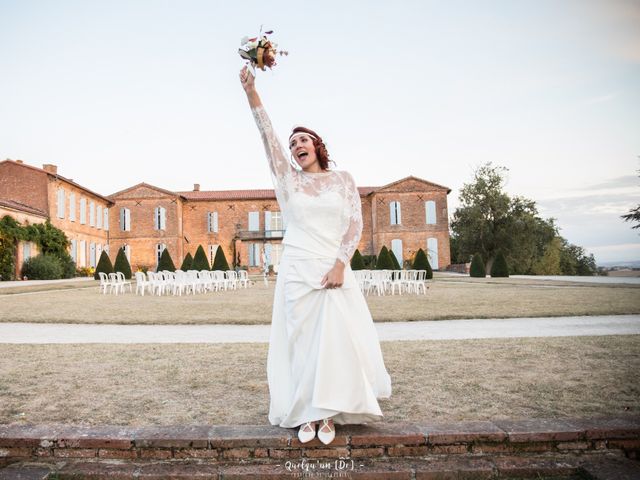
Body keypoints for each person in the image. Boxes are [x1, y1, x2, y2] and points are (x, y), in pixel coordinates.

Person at [239, 66, 391, 445]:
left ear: (318, 146)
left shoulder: (344, 181)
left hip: (332, 267)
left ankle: (328, 412)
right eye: (293, 145)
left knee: (335, 341)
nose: (296, 147)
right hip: (297, 268)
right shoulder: (289, 182)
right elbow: (267, 136)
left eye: (303, 140)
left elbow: (354, 226)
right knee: (303, 341)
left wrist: (341, 263)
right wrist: (251, 92)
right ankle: (308, 411)